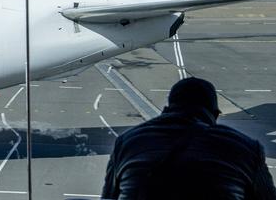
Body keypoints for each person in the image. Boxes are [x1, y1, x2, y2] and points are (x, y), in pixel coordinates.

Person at [102, 77, 276, 200]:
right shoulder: (246, 149)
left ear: (167, 108)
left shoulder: (127, 143)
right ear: (215, 115)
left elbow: (109, 197)